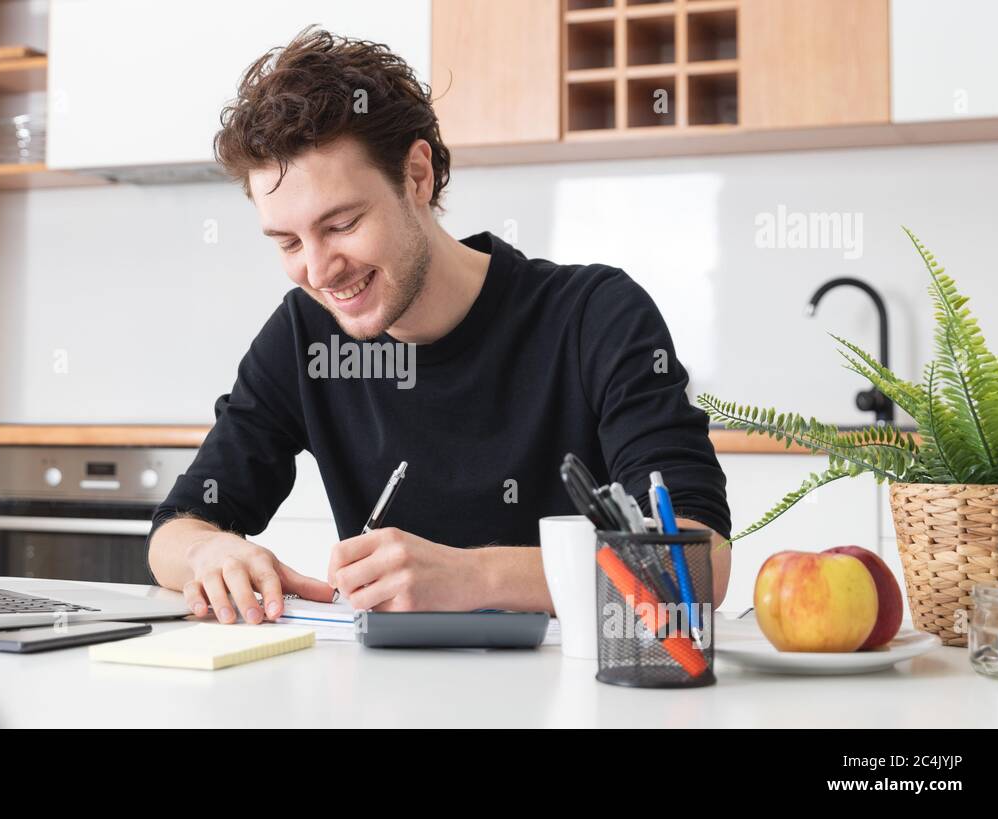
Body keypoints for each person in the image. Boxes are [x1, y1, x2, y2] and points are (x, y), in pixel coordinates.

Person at [146, 27, 731, 624]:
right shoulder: (303, 336)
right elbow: (176, 529)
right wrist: (210, 551)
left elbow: (698, 565)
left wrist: (473, 577)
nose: (319, 270)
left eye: (342, 224)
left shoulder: (594, 315)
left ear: (417, 176)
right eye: (290, 241)